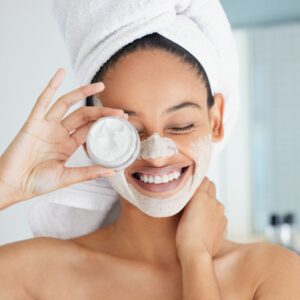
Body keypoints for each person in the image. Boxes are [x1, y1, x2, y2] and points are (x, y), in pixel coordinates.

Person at [0, 33, 300, 298]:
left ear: (216, 119)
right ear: (92, 136)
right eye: (130, 130)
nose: (156, 154)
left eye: (181, 125)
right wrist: (6, 185)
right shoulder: (37, 273)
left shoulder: (273, 273)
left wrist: (195, 259)